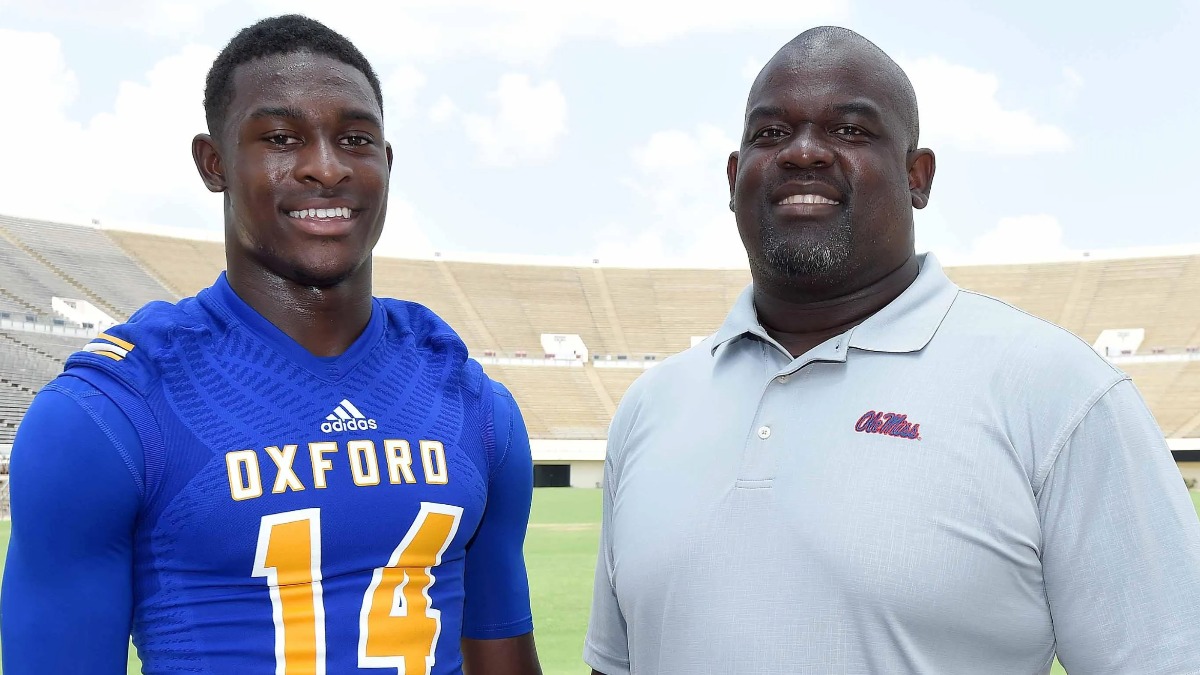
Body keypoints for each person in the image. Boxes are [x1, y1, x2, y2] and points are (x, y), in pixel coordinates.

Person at [585, 25, 1200, 675]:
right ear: (735, 175)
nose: (803, 153)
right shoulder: (650, 407)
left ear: (918, 176)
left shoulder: (1058, 393)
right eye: (770, 133)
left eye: (849, 130)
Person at [1, 15, 541, 675]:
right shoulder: (111, 413)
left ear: (386, 163)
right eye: (282, 137)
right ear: (214, 162)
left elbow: (501, 655)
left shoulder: (470, 403)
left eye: (355, 139)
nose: (325, 166)